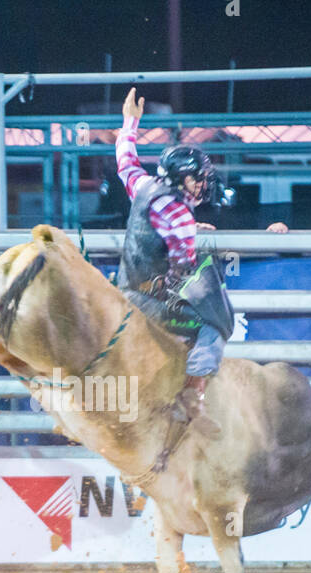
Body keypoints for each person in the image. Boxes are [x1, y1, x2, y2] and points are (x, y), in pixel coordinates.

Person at [115, 87, 234, 437]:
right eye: (198, 178)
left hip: (125, 286)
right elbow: (182, 266)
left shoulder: (145, 186)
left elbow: (125, 161)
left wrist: (130, 122)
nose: (202, 185)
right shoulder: (181, 217)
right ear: (184, 178)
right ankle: (191, 400)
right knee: (213, 327)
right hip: (151, 298)